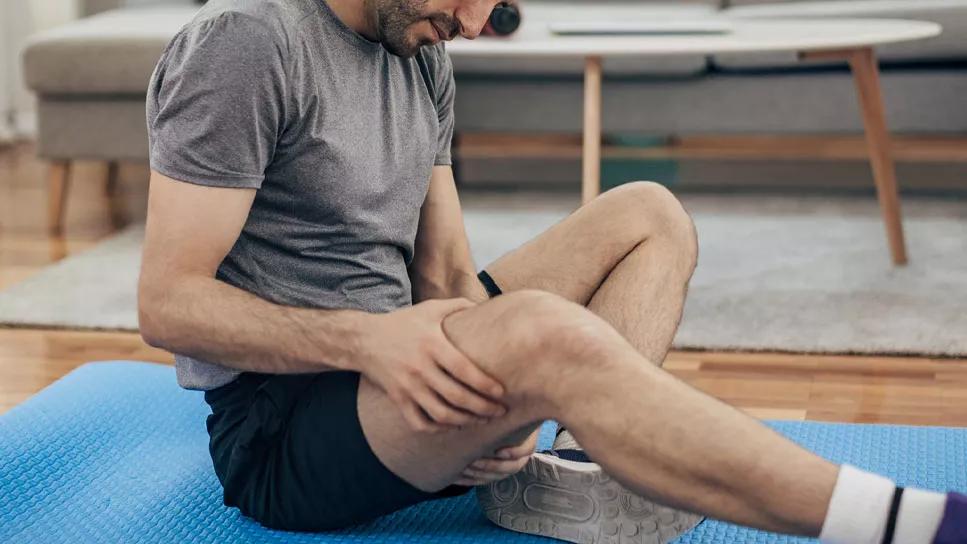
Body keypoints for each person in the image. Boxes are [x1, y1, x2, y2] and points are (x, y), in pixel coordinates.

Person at [137, 0, 966, 542]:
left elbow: (446, 273)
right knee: (543, 335)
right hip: (284, 428)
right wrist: (373, 345)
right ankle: (908, 525)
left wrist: (493, 404)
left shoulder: (422, 55)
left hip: (404, 359)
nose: (471, 20)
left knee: (647, 212)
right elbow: (167, 304)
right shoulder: (247, 42)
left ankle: (564, 474)